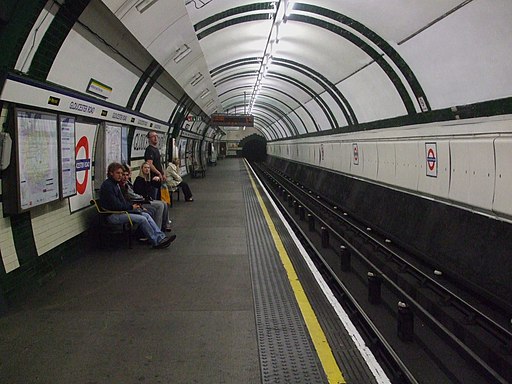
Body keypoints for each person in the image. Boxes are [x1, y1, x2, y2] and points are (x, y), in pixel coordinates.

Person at [99, 162, 175, 249]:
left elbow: (122, 202)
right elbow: (116, 205)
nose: (120, 175)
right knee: (142, 219)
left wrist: (134, 207)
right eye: (118, 173)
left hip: (120, 212)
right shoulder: (108, 186)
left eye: (121, 173)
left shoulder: (115, 185)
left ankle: (161, 237)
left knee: (146, 215)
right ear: (111, 173)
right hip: (112, 215)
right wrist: (131, 207)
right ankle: (156, 241)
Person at [133, 162, 171, 230]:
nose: (147, 169)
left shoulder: (147, 179)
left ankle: (165, 224)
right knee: (160, 205)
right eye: (145, 168)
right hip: (143, 201)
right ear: (142, 169)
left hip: (148, 200)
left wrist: (156, 181)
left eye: (148, 168)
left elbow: (156, 186)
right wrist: (151, 183)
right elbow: (143, 192)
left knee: (164, 203)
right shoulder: (139, 180)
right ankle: (157, 228)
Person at [144, 131, 166, 199]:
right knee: (155, 196)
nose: (155, 138)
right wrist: (158, 173)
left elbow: (159, 163)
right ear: (149, 138)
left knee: (160, 196)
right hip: (153, 178)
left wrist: (163, 173)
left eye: (156, 136)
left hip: (159, 176)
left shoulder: (156, 149)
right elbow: (150, 164)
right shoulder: (149, 150)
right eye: (153, 136)